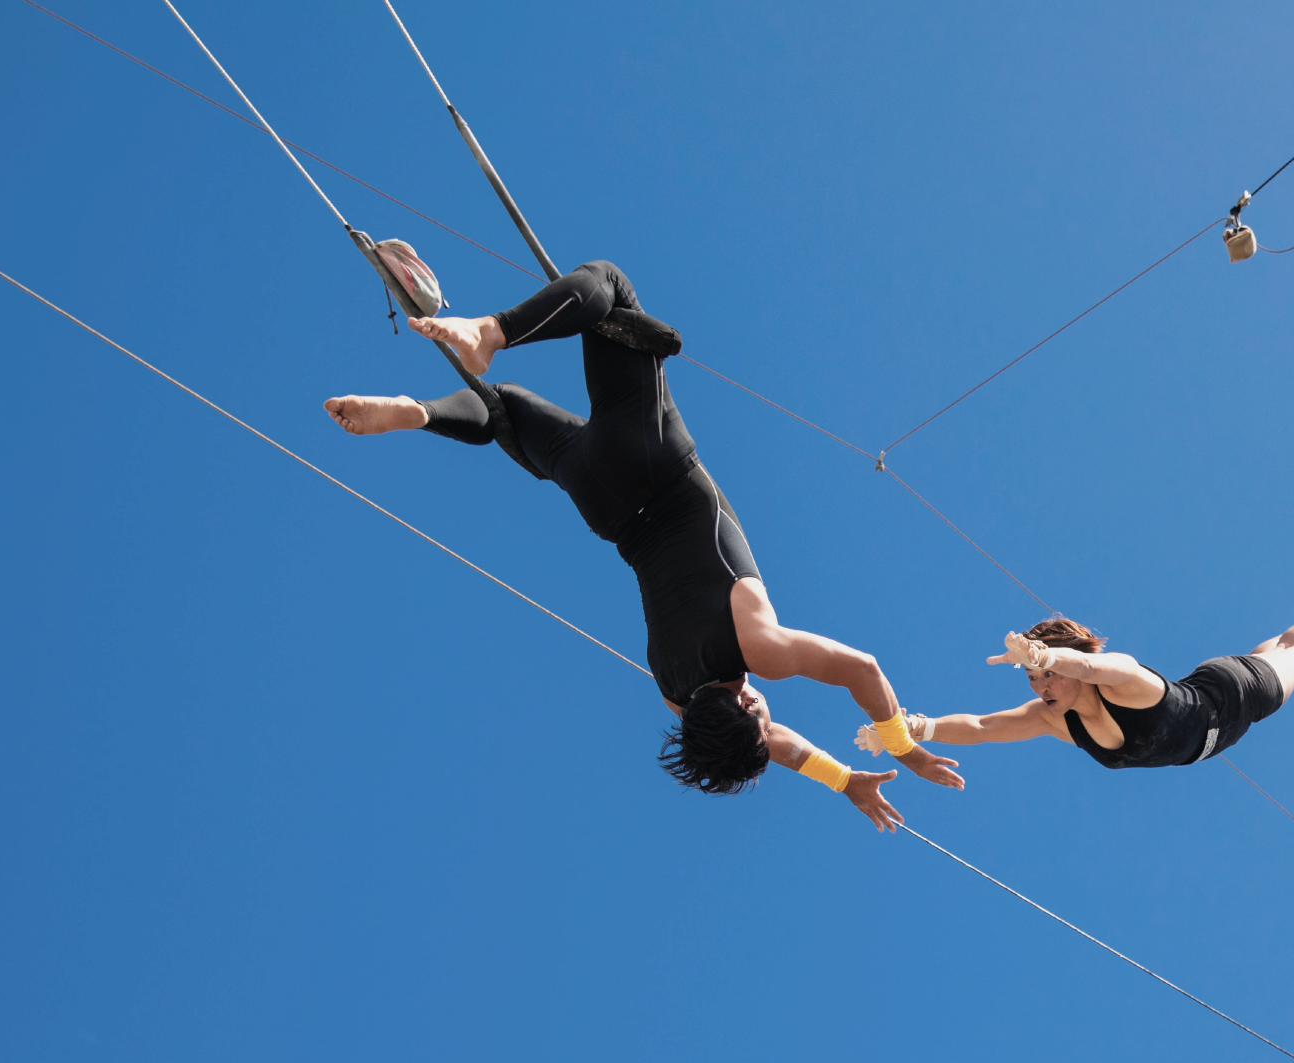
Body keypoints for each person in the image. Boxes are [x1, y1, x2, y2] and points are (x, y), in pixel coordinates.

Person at [322, 259, 960, 828]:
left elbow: (862, 669)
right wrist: (843, 780)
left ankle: (490, 332)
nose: (771, 721)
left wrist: (901, 744)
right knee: (506, 410)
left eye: (761, 718)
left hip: (656, 466)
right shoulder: (675, 693)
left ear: (747, 704)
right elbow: (769, 743)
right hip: (605, 504)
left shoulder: (760, 649)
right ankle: (417, 411)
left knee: (610, 285)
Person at [860, 610, 1294, 768]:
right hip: (1213, 739)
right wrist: (911, 728)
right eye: (1031, 678)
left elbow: (1089, 665)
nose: (1039, 686)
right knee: (1268, 652)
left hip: (1232, 696)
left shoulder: (1122, 678)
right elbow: (981, 727)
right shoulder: (1051, 718)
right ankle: (1291, 632)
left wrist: (1042, 655)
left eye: (1046, 675)